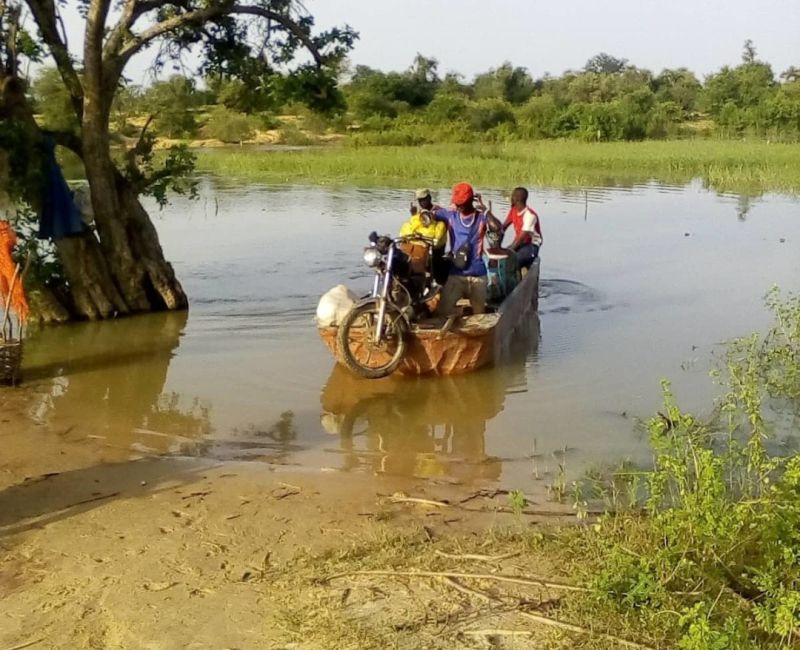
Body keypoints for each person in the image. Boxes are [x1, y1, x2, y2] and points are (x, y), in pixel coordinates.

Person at [432, 182, 502, 316]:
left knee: (479, 315)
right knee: (442, 312)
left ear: (470, 201)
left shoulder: (481, 217)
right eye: (456, 203)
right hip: (456, 275)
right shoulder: (451, 215)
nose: (458, 206)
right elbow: (431, 214)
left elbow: (497, 228)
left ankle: (472, 314)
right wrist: (431, 211)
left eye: (460, 204)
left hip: (477, 276)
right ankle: (463, 312)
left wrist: (486, 210)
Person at [399, 189, 449, 284]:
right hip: (420, 244)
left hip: (435, 246)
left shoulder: (439, 211)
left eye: (424, 199)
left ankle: (436, 282)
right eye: (419, 200)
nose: (421, 202)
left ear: (429, 198)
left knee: (435, 263)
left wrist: (434, 216)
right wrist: (413, 215)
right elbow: (414, 226)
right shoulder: (419, 212)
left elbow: (444, 225)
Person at [502, 187, 542, 269]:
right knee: (501, 259)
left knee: (512, 261)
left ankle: (517, 278)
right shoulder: (514, 210)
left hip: (531, 245)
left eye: (512, 196)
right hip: (519, 244)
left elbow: (521, 238)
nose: (511, 198)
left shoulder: (529, 215)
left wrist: (508, 252)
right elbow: (503, 227)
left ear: (517, 199)